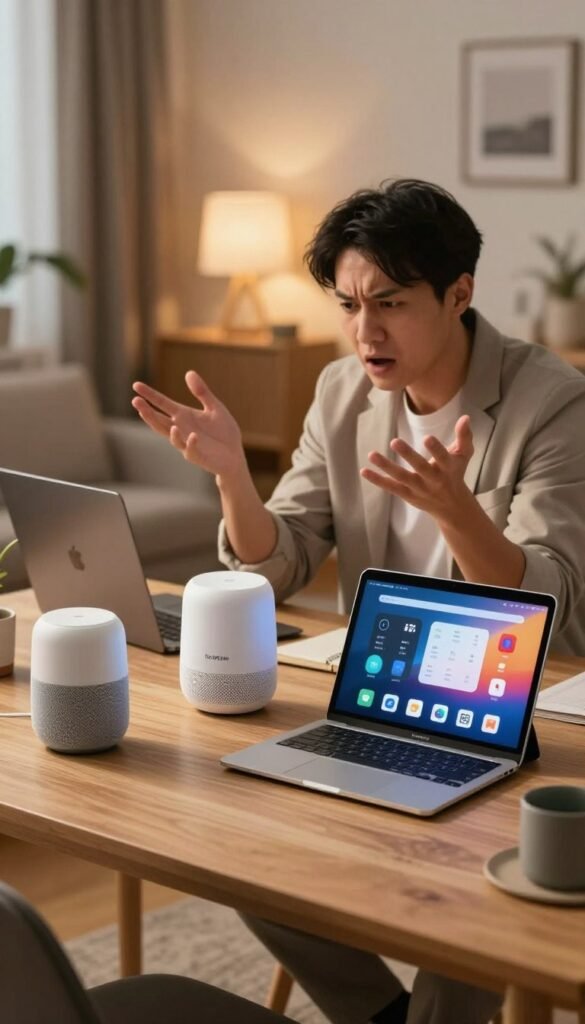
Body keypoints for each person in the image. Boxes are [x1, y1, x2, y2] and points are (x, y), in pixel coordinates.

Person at [132, 179, 585, 1024]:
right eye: (347, 304)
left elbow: (550, 599)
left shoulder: (551, 400)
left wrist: (456, 512)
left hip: (522, 710)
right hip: (383, 690)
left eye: (390, 303)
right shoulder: (343, 392)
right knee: (235, 831)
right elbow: (285, 560)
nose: (363, 331)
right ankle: (376, 1013)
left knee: (478, 893)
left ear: (459, 293)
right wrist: (235, 477)